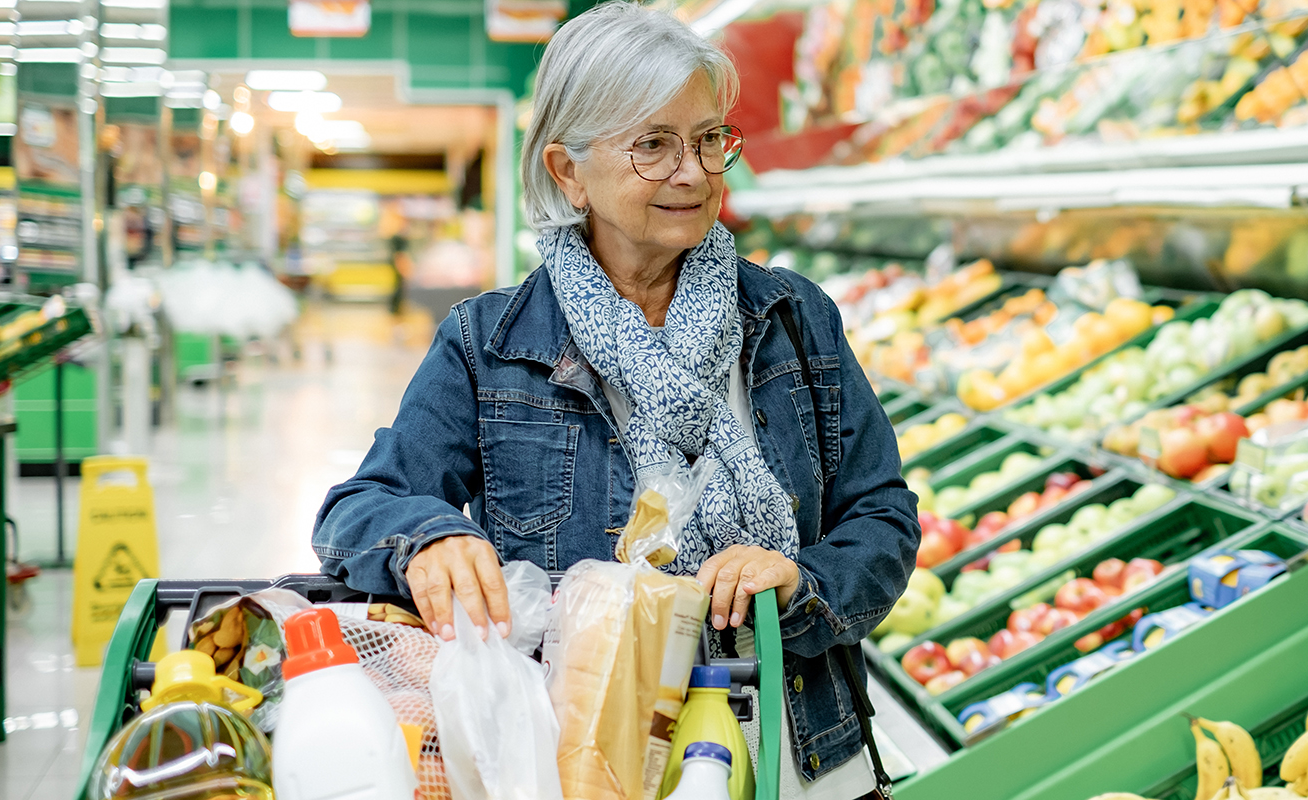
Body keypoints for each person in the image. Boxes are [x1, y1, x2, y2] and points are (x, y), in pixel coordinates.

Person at [310, 4, 920, 799]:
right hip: (597, 764)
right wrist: (428, 540)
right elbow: (359, 508)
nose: (695, 173)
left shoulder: (791, 320)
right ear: (568, 170)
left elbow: (883, 519)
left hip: (804, 758)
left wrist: (801, 584)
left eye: (708, 138)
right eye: (654, 145)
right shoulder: (489, 344)